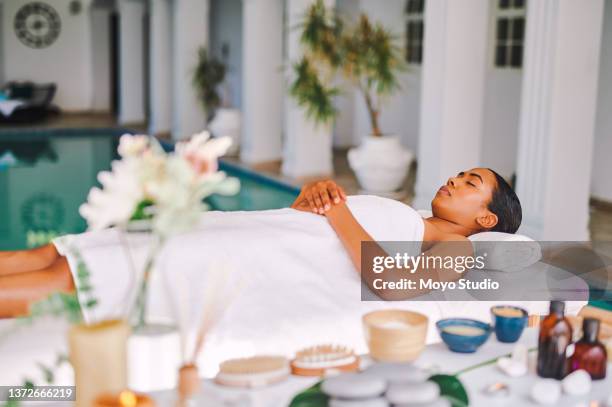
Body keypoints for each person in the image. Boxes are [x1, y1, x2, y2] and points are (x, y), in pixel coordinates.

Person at [0, 167, 521, 317]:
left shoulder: (460, 249)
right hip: (254, 229)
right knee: (58, 252)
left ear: (487, 221)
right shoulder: (406, 212)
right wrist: (313, 198)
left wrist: (337, 210)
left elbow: (391, 284)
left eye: (470, 184)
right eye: (458, 174)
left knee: (71, 279)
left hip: (248, 255)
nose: (453, 181)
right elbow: (315, 222)